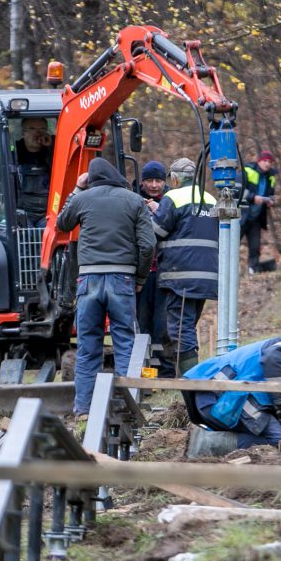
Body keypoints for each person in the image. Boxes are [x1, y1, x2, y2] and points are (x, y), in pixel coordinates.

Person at [56, 157, 156, 417]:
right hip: (122, 279)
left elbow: (61, 223)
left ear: (91, 179)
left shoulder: (83, 198)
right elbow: (147, 245)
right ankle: (127, 407)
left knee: (88, 347)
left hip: (88, 281)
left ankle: (83, 409)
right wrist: (140, 279)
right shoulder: (134, 200)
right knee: (125, 344)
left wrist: (77, 189)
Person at [182, 336, 281, 453]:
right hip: (219, 392)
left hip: (229, 400)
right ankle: (207, 443)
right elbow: (273, 358)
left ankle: (214, 441)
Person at [152, 158, 217, 376]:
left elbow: (156, 231)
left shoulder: (172, 197)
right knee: (188, 326)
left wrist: (155, 210)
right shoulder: (209, 198)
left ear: (175, 178)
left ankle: (193, 383)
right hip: (206, 276)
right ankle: (192, 377)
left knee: (181, 330)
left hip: (181, 277)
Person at [137, 161, 170, 372]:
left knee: (163, 326)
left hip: (164, 273)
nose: (154, 185)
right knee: (142, 325)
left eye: (158, 181)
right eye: (150, 180)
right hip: (141, 274)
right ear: (142, 182)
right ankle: (145, 370)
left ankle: (166, 371)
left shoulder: (170, 202)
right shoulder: (133, 200)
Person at [240, 151, 278, 275]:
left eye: (270, 162)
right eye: (265, 161)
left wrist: (270, 201)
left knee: (255, 246)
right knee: (232, 244)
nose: (267, 164)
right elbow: (237, 190)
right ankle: (225, 269)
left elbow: (271, 194)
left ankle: (253, 270)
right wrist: (253, 197)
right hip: (240, 215)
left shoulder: (271, 177)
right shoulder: (247, 170)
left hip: (256, 218)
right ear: (259, 161)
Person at [16, 117, 55, 227]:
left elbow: (64, 174)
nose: (38, 133)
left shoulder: (55, 154)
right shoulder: (11, 156)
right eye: (32, 129)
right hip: (20, 214)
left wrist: (51, 148)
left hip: (49, 214)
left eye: (42, 129)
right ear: (23, 133)